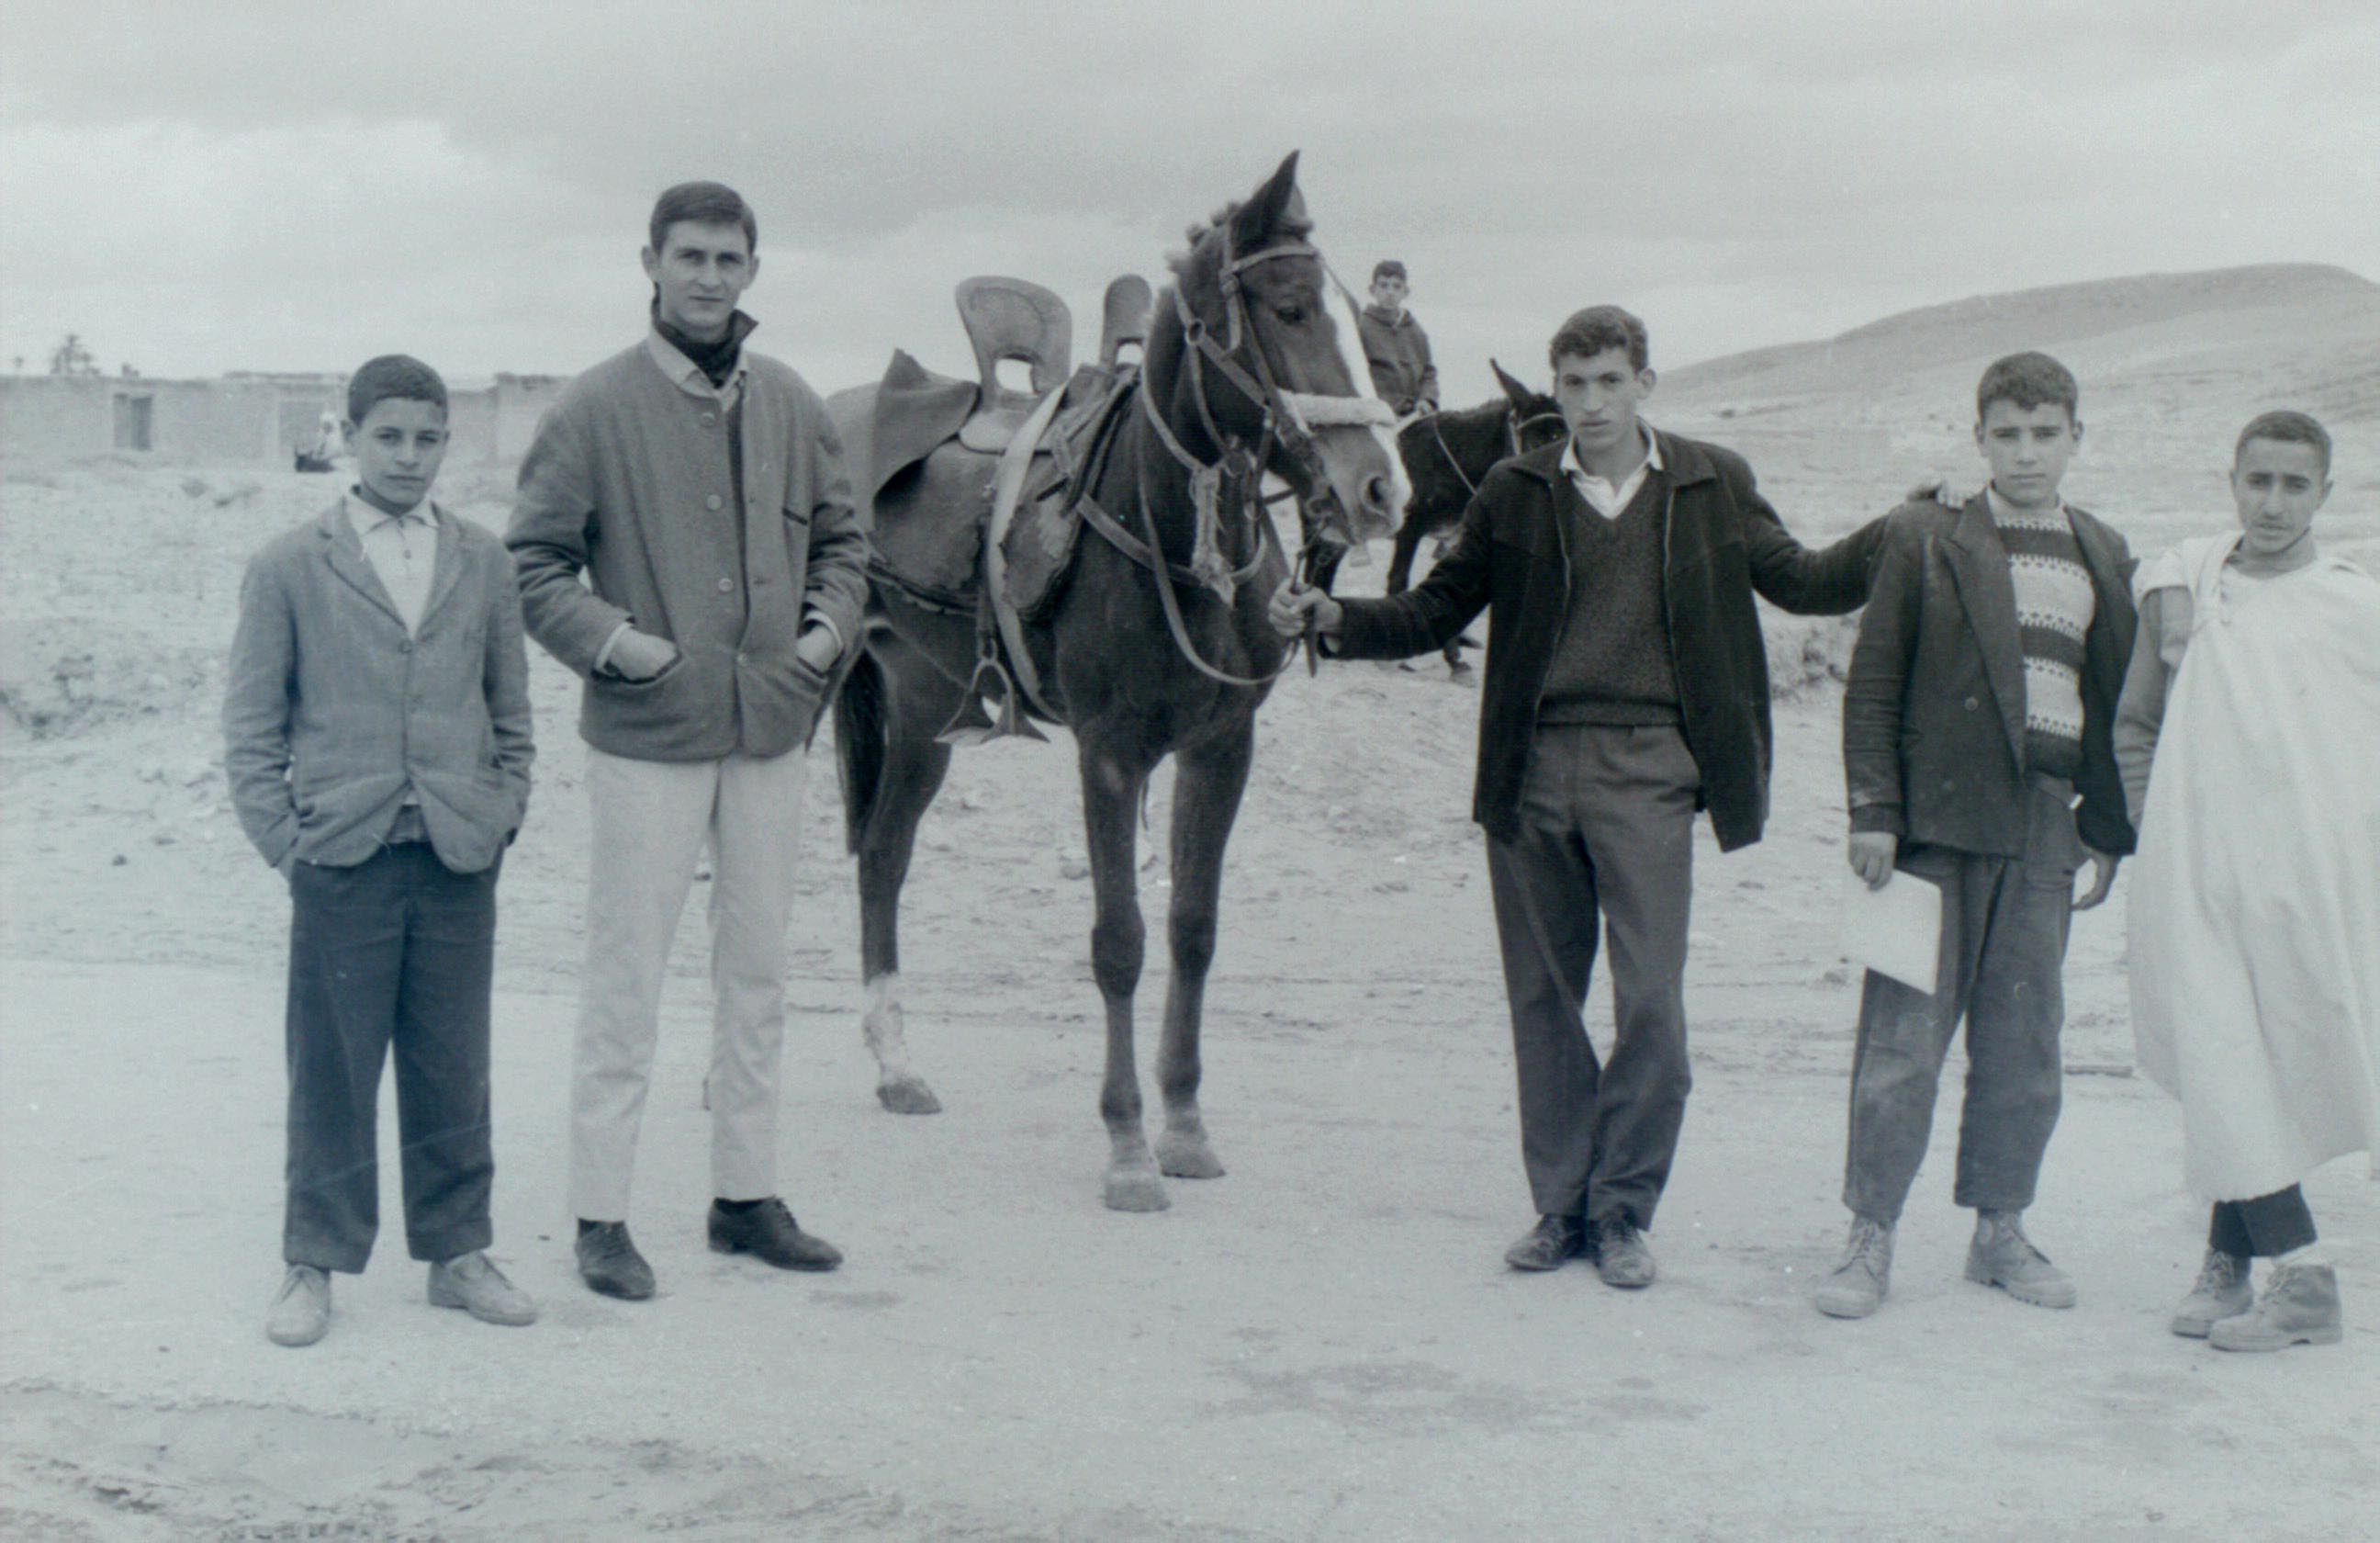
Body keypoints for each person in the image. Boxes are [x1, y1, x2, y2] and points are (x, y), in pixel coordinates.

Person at [1270, 305, 1887, 1288]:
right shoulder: (1515, 490)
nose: (1592, 403)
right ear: (1553, 388)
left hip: (1652, 772)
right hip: (1533, 768)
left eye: (1610, 381)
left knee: (1652, 1009)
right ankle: (1562, 1207)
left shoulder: (1710, 481)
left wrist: (1903, 527)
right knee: (1544, 1001)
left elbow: (1805, 580)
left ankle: (1624, 1211)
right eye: (1574, 383)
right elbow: (1435, 608)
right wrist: (1333, 615)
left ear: (1645, 383)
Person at [507, 181, 870, 1301]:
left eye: (728, 258)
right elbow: (534, 566)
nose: (709, 277)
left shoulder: (792, 401)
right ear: (651, 264)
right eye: (690, 256)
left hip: (770, 728)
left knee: (757, 972)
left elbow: (845, 544)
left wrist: (821, 639)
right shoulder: (591, 408)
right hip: (647, 734)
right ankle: (600, 1216)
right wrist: (623, 648)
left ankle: (744, 1198)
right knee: (629, 976)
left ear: (752, 269)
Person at [223, 355, 538, 1347]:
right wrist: (289, 847)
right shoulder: (289, 564)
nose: (409, 457)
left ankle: (458, 1253)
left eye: (428, 438)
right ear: (350, 436)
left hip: (455, 854)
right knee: (332, 1068)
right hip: (340, 858)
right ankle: (312, 1262)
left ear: (447, 444)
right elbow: (251, 732)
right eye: (389, 437)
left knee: (455, 1066)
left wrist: (499, 814)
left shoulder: (483, 560)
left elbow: (512, 714)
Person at [1819, 351, 2137, 1321]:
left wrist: (2105, 828)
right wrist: (1874, 813)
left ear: (2076, 438)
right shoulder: (1929, 535)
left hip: (2044, 829)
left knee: (2024, 1043)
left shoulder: (2101, 549)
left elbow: (2110, 698)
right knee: (1902, 1043)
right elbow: (1874, 683)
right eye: (2008, 434)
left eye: (2046, 434)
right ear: (1979, 439)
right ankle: (1869, 1236)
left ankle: (2000, 1232)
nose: (2027, 453)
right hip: (1933, 825)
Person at [2115, 410, 2377, 1351]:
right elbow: (2137, 724)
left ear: (2325, 494)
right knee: (2219, 1050)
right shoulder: (2191, 584)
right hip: (2195, 872)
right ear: (2231, 483)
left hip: (2307, 882)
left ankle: (2243, 1263)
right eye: (2257, 482)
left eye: (2295, 485)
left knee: (2269, 1061)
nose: (2273, 503)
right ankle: (2290, 1274)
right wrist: (2156, 827)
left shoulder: (2357, 607)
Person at [1356, 259, 1439, 418]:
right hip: (1379, 415)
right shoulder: (1362, 327)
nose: (1390, 292)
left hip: (1416, 415)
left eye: (1396, 286)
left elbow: (1428, 372)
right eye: (1384, 285)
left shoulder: (1416, 331)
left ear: (1406, 292)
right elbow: (1359, 375)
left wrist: (1427, 399)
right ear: (1372, 290)